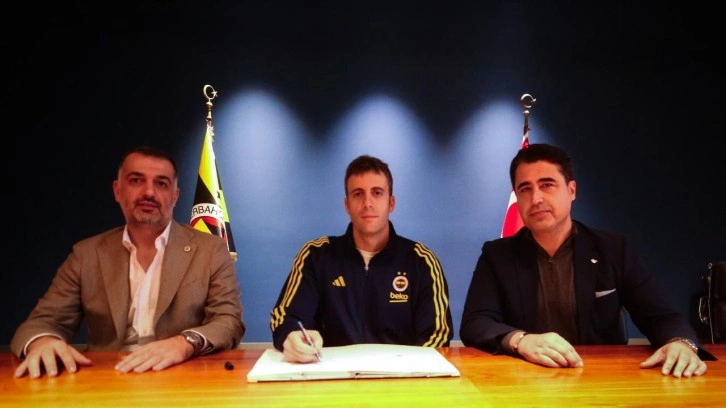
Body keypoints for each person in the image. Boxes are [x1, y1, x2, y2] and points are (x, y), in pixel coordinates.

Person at [460, 143, 714, 378]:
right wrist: (521, 340)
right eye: (525, 189)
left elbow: (661, 316)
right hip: (524, 378)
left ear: (571, 190)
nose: (536, 198)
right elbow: (475, 323)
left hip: (599, 377)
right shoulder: (497, 255)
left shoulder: (613, 249)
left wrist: (681, 343)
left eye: (547, 185)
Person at [11, 146, 245, 378]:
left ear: (175, 196)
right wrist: (43, 342)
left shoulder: (210, 250)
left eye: (161, 183)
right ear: (117, 190)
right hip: (106, 376)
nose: (149, 192)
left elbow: (228, 321)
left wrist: (184, 343)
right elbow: (41, 323)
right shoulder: (86, 254)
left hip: (182, 374)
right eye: (136, 180)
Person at [269, 154, 453, 363]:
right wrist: (291, 337)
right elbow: (286, 317)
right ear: (347, 205)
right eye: (358, 194)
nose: (367, 203)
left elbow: (437, 335)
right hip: (331, 376)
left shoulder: (421, 261)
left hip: (401, 378)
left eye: (377, 193)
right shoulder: (316, 256)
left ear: (391, 203)